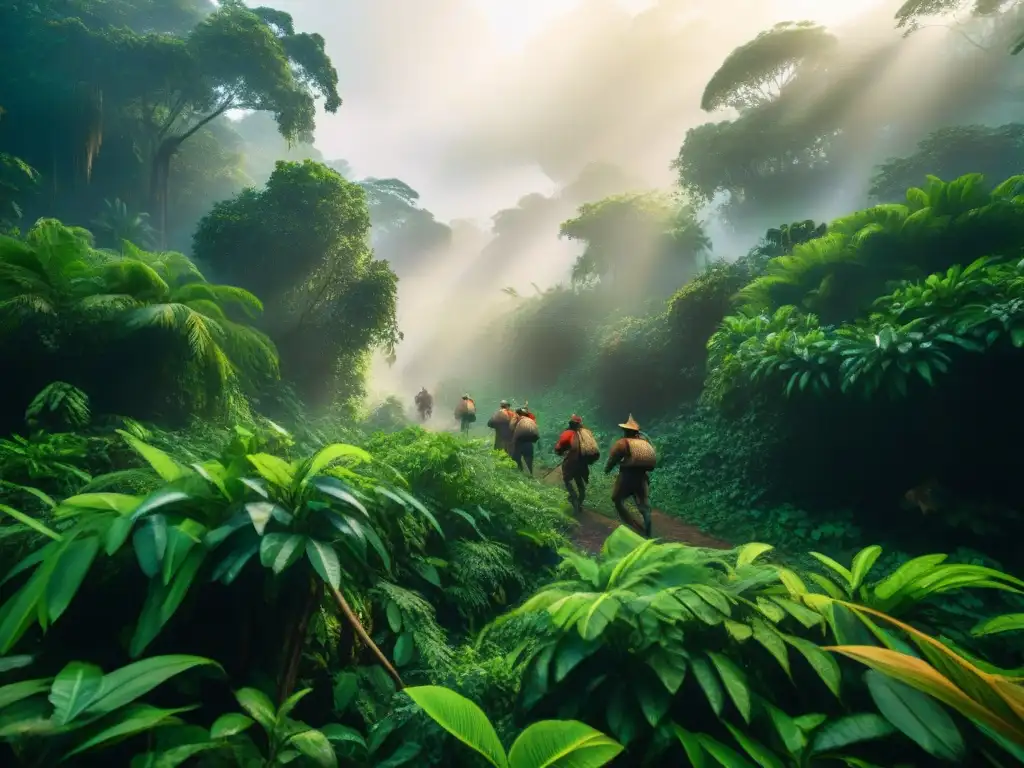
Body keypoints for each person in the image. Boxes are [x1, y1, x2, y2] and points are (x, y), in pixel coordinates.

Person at [604, 414, 657, 538]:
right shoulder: (644, 443)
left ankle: (635, 526)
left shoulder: (622, 443)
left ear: (626, 431)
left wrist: (607, 469)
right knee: (643, 504)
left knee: (616, 499)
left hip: (627, 477)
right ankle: (648, 529)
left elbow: (613, 459)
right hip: (643, 477)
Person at [554, 414, 600, 514]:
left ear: (571, 423)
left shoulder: (568, 433)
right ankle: (580, 501)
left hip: (572, 461)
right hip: (583, 463)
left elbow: (560, 446)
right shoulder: (586, 433)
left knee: (567, 480)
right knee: (580, 482)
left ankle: (573, 497)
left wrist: (560, 451)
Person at [510, 406, 538, 475]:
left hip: (519, 443)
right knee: (528, 459)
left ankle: (520, 472)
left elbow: (511, 427)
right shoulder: (530, 419)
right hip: (529, 443)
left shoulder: (517, 419)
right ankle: (531, 474)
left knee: (515, 458)